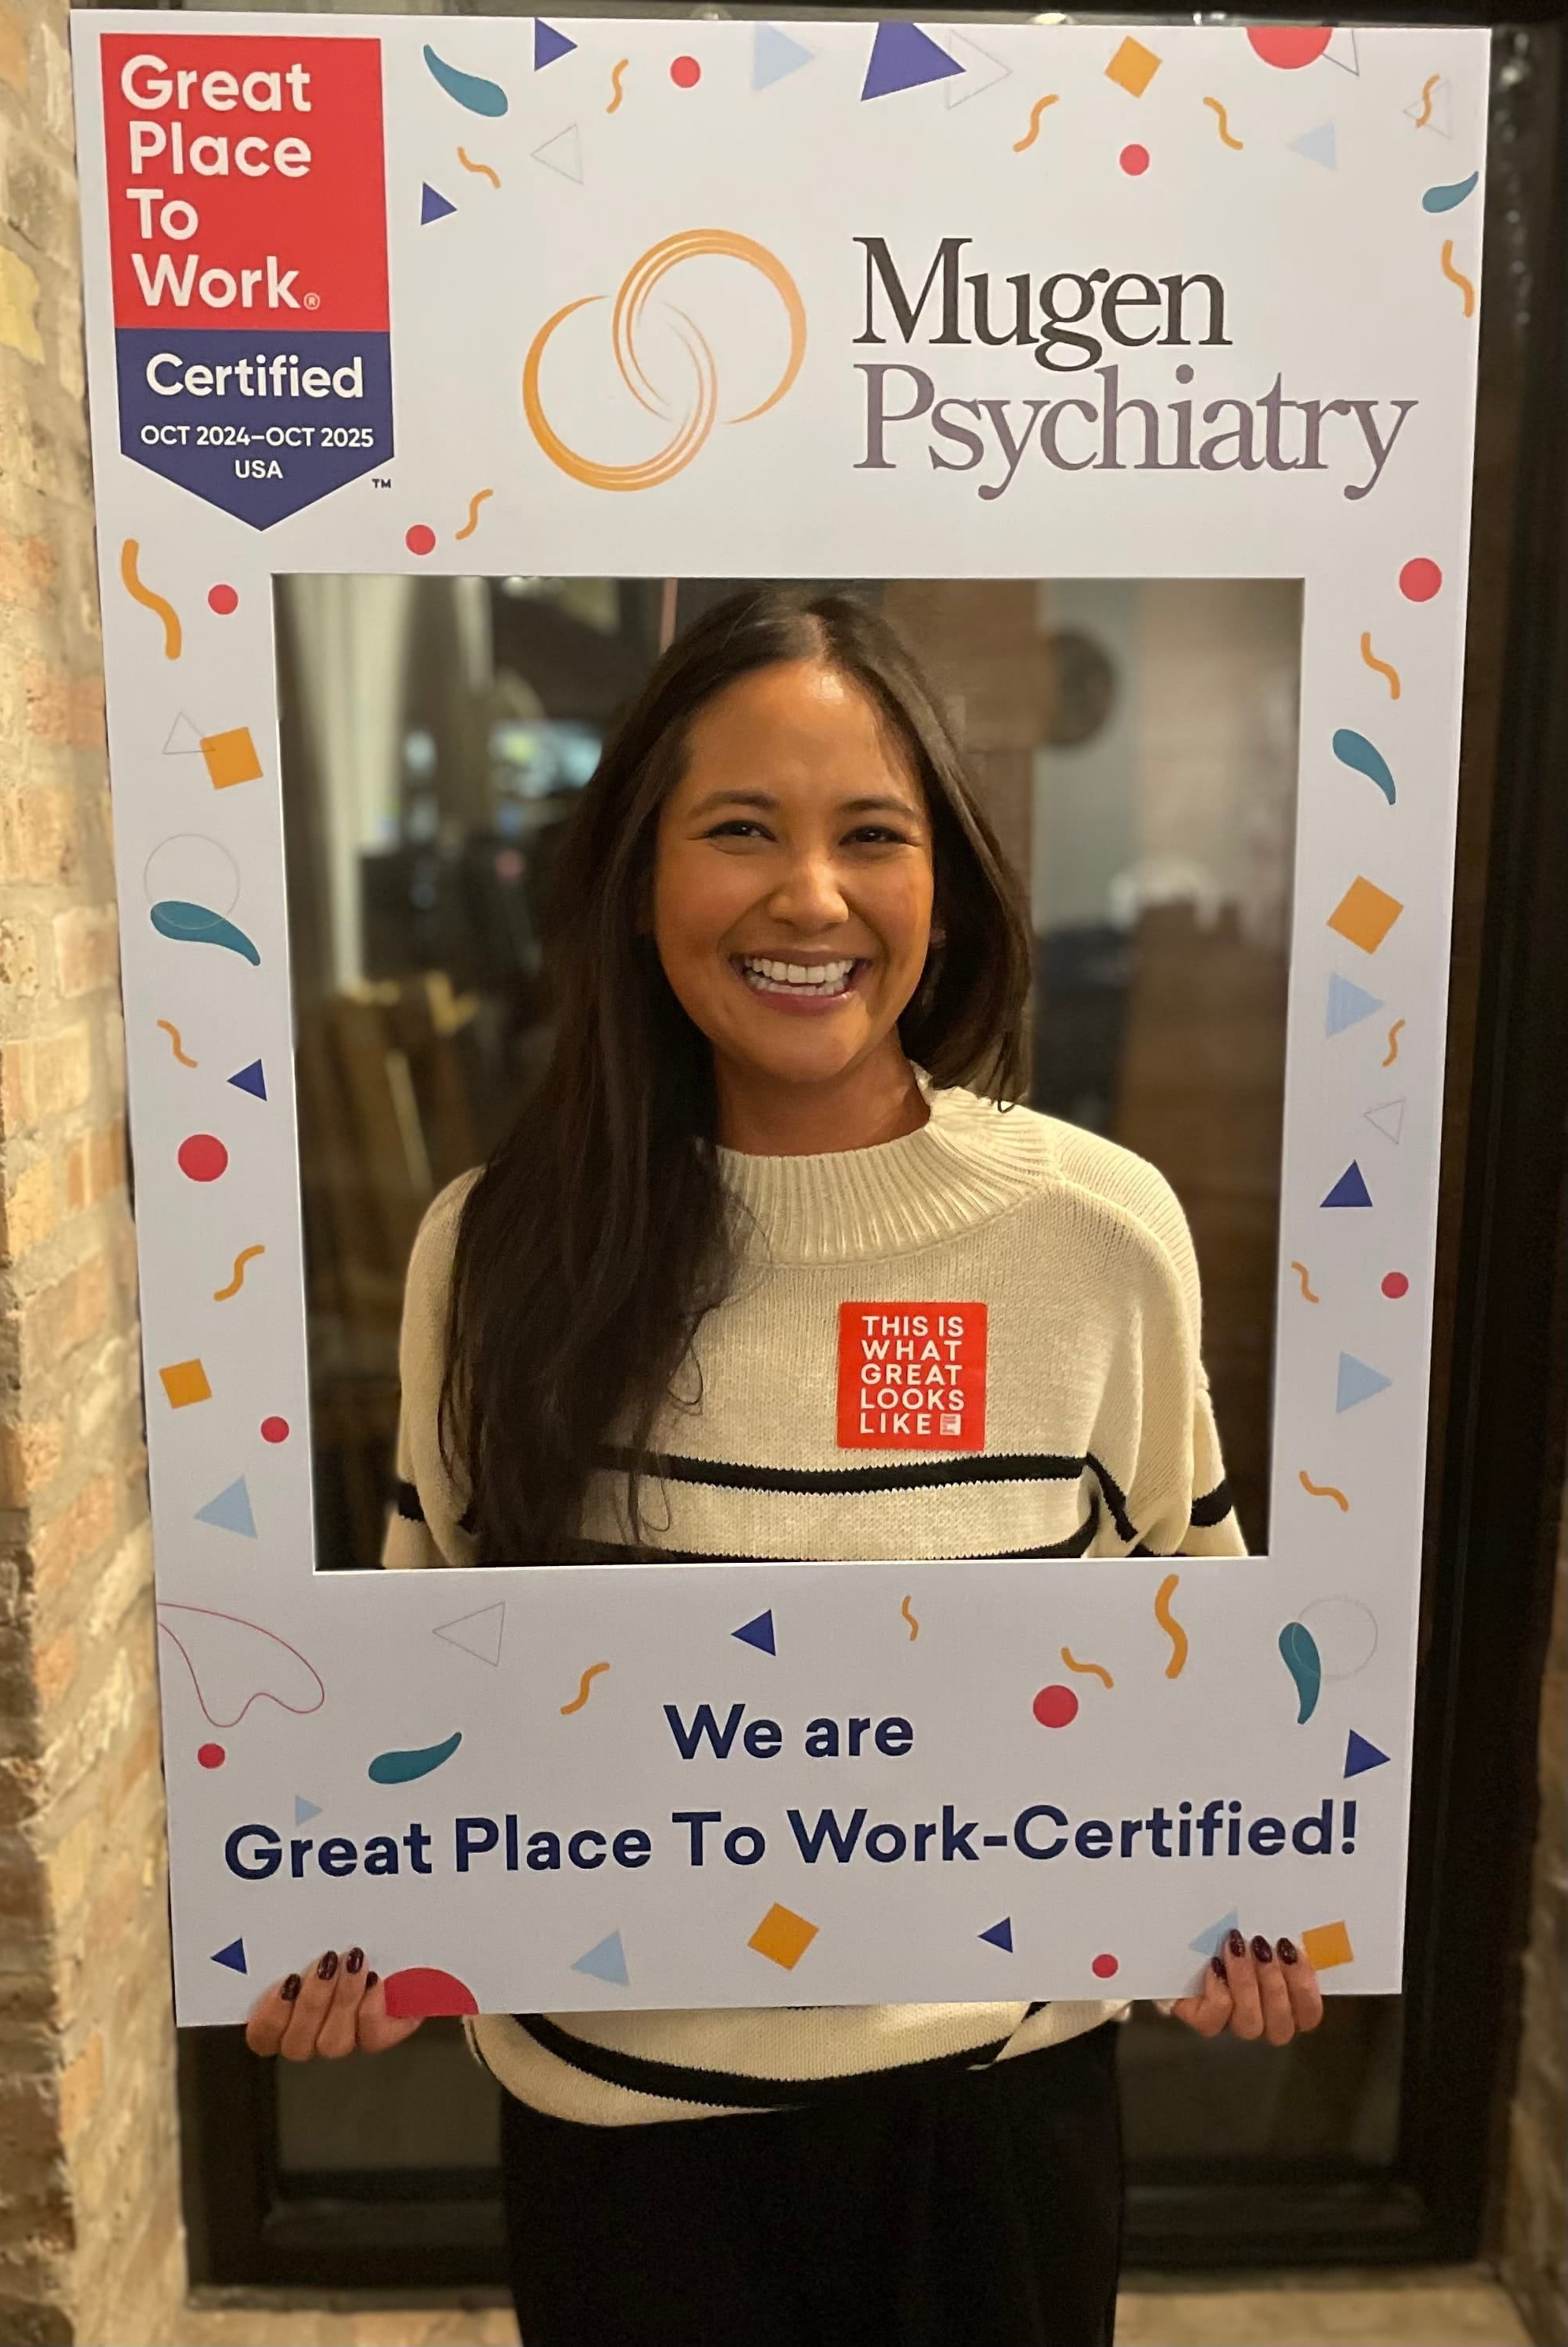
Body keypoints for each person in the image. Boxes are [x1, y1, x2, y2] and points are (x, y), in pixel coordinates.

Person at [246, 586, 1324, 2347]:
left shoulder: (1099, 1236)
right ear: (632, 876)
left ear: (947, 884)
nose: (810, 898)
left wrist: (1252, 1899)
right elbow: (420, 1672)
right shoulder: (498, 1250)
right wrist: (339, 1917)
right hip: (622, 2143)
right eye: (738, 829)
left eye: (871, 837)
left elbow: (1195, 1636)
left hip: (995, 2126)